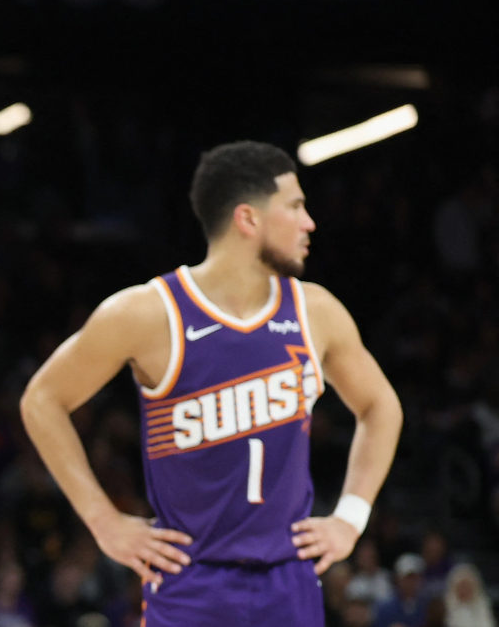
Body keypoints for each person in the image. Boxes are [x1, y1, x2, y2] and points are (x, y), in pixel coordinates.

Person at [20, 141, 403, 626]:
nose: (309, 223)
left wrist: (350, 517)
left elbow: (381, 406)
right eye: (295, 207)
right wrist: (102, 520)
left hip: (289, 580)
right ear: (248, 219)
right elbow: (42, 400)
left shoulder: (316, 311)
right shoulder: (147, 312)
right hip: (191, 581)